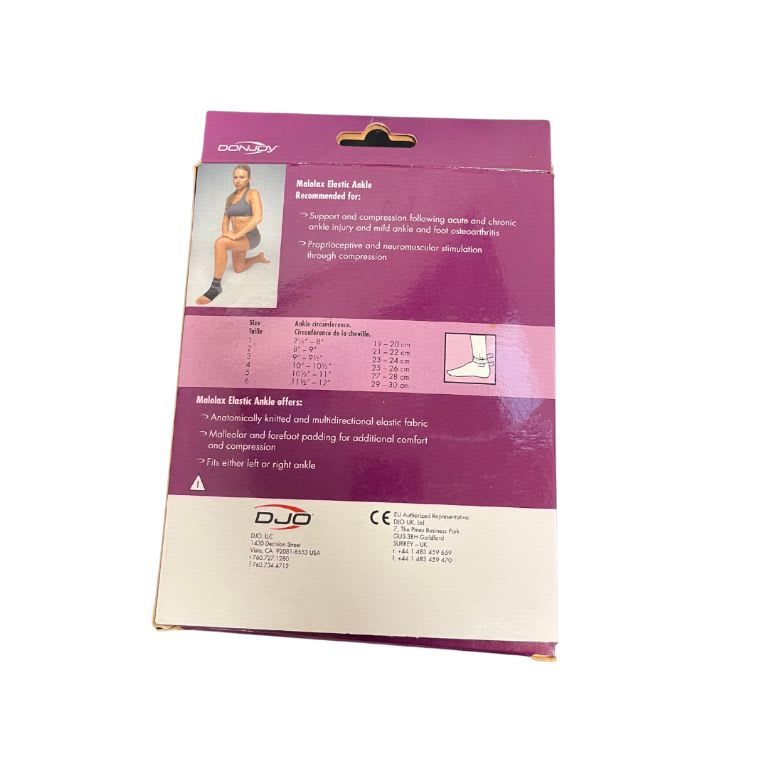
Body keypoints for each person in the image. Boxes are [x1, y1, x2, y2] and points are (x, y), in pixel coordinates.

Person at [196, 164, 270, 305]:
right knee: (238, 269)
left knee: (220, 243)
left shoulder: (252, 193)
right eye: (235, 177)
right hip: (238, 237)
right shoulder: (230, 198)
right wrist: (225, 233)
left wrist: (235, 236)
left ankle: (215, 287)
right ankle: (258, 258)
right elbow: (225, 220)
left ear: (249, 178)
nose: (238, 180)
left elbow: (258, 218)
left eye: (242, 177)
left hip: (250, 237)